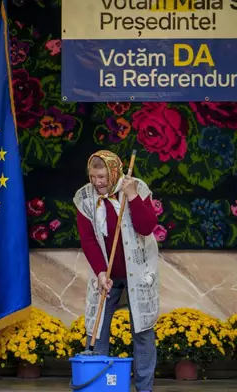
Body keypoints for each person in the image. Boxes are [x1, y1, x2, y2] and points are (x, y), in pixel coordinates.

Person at [73, 150, 160, 392]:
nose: (97, 182)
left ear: (113, 172)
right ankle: (99, 384)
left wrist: (132, 197)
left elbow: (146, 227)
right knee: (98, 327)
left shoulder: (137, 187)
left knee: (142, 330)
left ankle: (144, 388)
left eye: (101, 176)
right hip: (106, 274)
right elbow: (89, 240)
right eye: (93, 176)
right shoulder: (85, 198)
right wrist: (101, 272)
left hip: (139, 271)